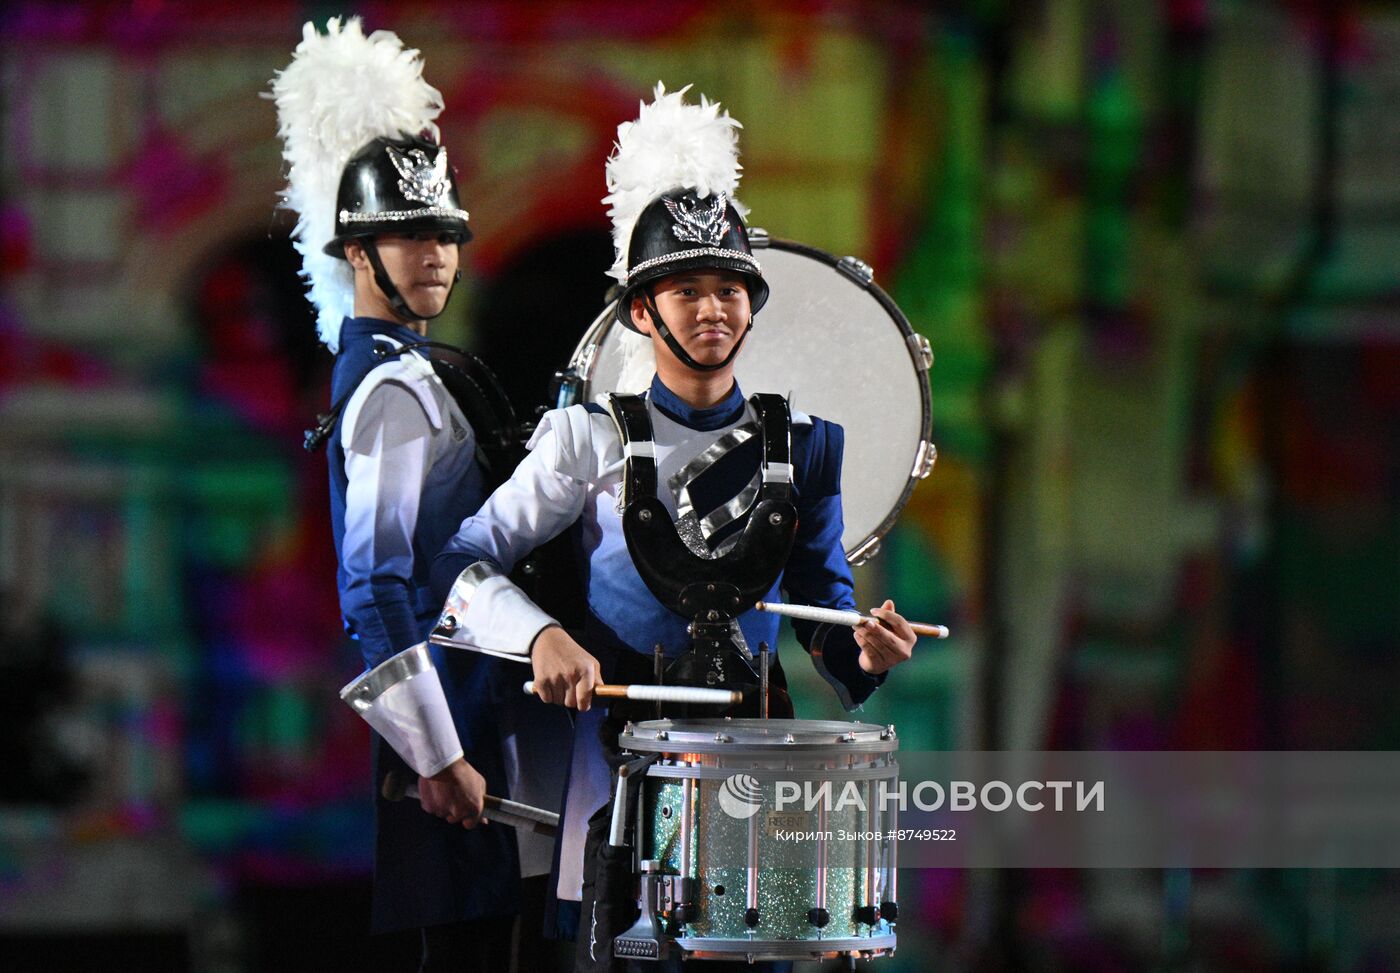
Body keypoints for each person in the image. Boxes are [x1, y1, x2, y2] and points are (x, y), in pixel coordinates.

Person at [428, 84, 916, 972]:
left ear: (753, 305)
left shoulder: (807, 447)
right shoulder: (587, 437)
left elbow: (822, 608)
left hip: (761, 783)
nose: (711, 308)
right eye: (684, 289)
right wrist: (538, 635)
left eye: (728, 287)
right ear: (640, 313)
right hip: (614, 777)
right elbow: (458, 569)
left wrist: (866, 656)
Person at [271, 18, 568, 971]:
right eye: (408, 235)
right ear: (357, 255)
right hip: (451, 736)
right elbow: (374, 586)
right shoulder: (393, 389)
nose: (436, 253)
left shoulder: (404, 369)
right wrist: (435, 756)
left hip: (470, 720)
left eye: (443, 233)